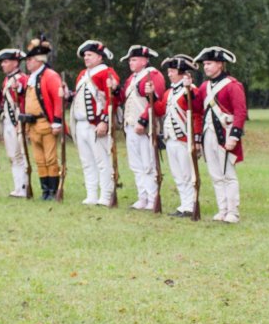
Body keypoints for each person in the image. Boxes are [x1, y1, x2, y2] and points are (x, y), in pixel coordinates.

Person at [193, 46, 247, 223]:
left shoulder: (232, 85)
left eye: (209, 63)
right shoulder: (204, 86)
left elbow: (240, 112)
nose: (206, 67)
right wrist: (188, 90)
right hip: (209, 134)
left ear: (220, 65)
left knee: (228, 174)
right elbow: (196, 110)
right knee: (216, 175)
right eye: (205, 64)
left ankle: (233, 211)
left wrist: (234, 137)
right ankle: (222, 209)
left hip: (225, 134)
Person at [116, 45, 166, 210]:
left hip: (145, 127)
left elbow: (154, 103)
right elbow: (124, 97)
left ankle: (153, 199)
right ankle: (142, 197)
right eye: (130, 60)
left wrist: (143, 121)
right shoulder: (132, 78)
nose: (131, 62)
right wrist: (115, 89)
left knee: (148, 164)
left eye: (134, 59)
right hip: (131, 124)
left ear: (144, 60)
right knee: (136, 164)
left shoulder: (154, 75)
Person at [70, 40, 118, 206]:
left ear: (99, 56)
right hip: (81, 123)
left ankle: (106, 195)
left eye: (89, 55)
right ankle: (91, 194)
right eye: (85, 55)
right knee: (87, 162)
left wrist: (104, 121)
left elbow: (112, 99)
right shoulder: (82, 74)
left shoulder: (107, 72)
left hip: (96, 123)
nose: (86, 58)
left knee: (102, 161)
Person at [22, 37, 65, 200]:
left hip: (46, 123)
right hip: (32, 124)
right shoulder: (31, 77)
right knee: (39, 160)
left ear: (39, 60)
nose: (28, 63)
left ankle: (53, 191)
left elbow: (58, 100)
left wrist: (57, 121)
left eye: (31, 59)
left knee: (50, 159)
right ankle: (45, 190)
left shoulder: (50, 75)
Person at [160, 54, 201, 217]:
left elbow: (197, 115)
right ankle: (184, 204)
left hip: (185, 138)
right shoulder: (169, 92)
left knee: (187, 173)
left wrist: (196, 139)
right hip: (171, 139)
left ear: (183, 74)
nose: (169, 74)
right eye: (169, 71)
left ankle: (191, 205)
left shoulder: (191, 90)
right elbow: (160, 108)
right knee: (177, 174)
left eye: (172, 71)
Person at [0, 48, 30, 197]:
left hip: (17, 122)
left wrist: (22, 121)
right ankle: (18, 187)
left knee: (20, 155)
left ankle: (24, 187)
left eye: (6, 62)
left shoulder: (22, 79)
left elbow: (25, 100)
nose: (3, 65)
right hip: (7, 121)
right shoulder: (8, 79)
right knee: (13, 156)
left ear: (15, 62)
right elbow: (5, 99)